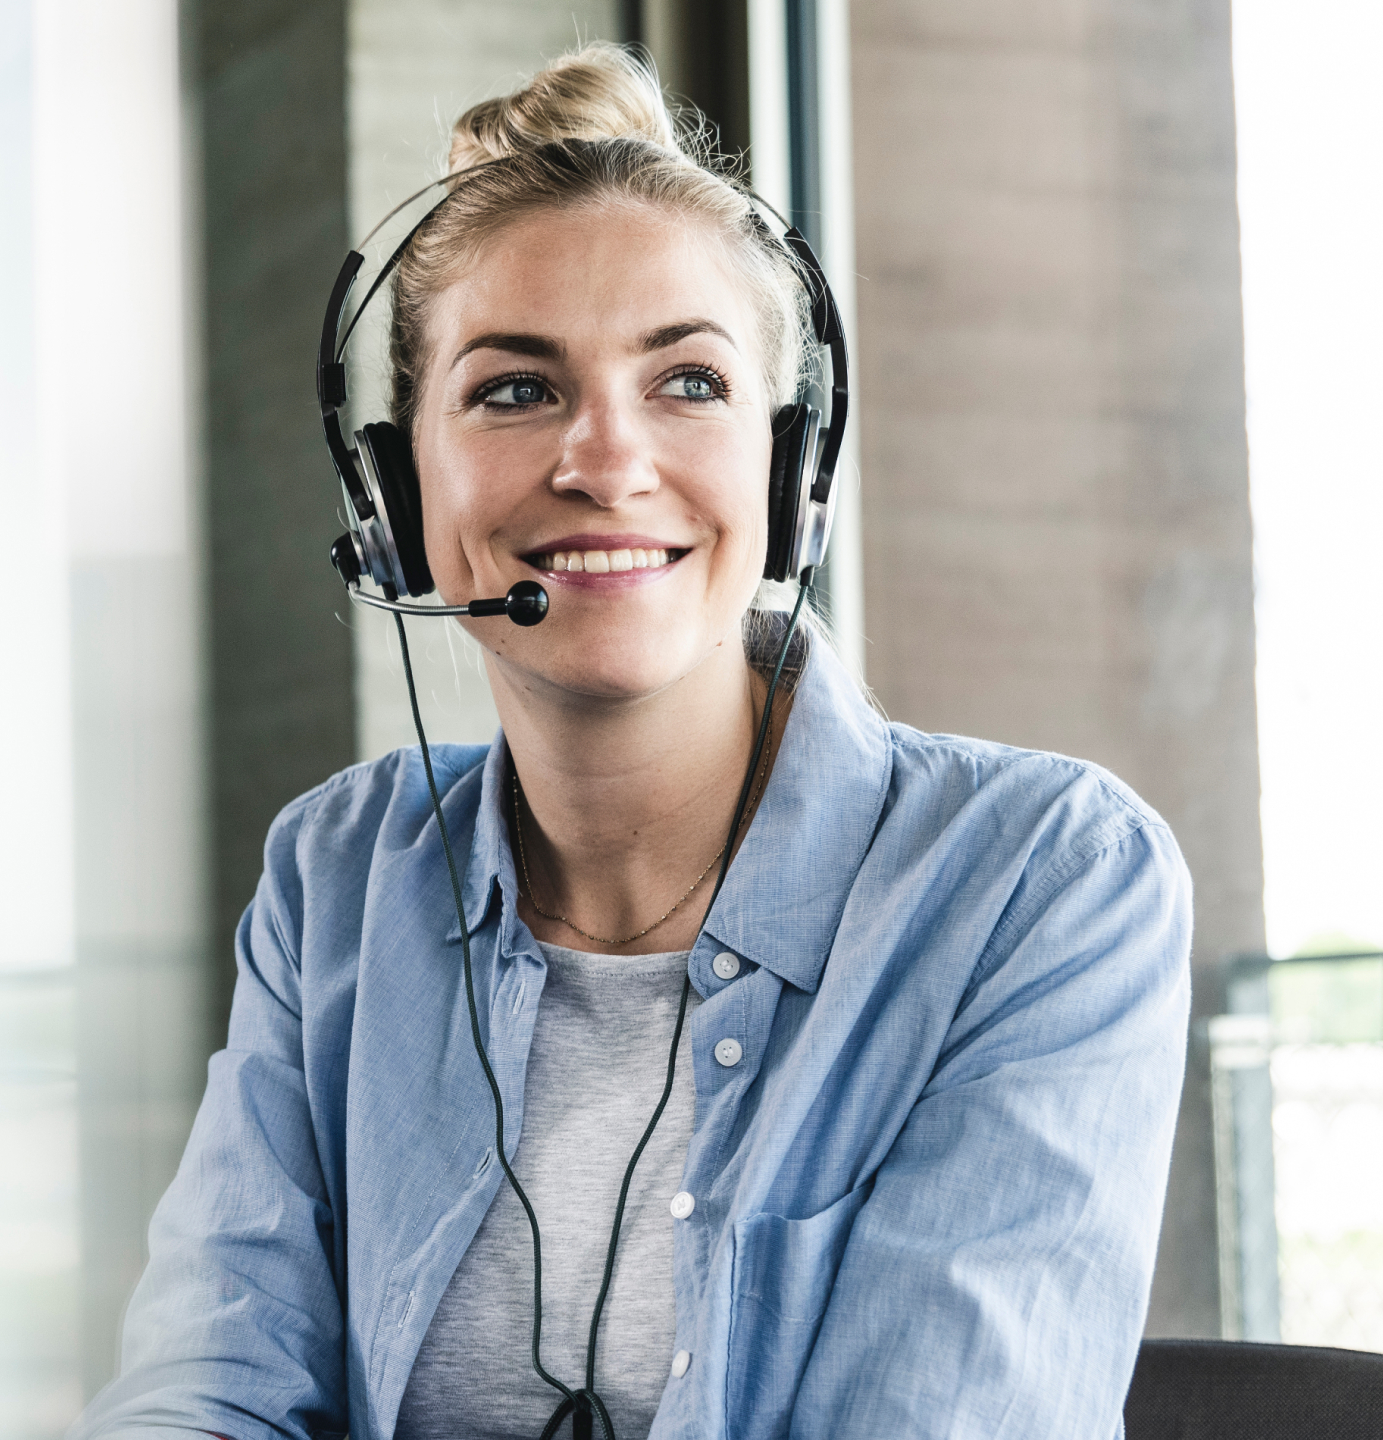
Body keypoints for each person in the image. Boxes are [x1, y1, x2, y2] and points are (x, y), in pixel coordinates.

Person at [69, 43, 1190, 1440]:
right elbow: (204, 1385)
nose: (605, 461)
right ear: (398, 493)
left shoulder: (1040, 882)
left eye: (690, 385)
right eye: (514, 390)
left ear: (792, 470)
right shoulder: (338, 876)